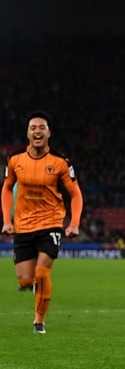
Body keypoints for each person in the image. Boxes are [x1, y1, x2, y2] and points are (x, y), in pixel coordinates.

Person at [1, 111, 84, 334]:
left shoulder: (60, 162)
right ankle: (32, 285)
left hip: (51, 223)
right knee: (25, 279)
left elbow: (75, 194)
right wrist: (6, 220)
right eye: (33, 128)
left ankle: (39, 322)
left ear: (49, 133)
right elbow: (7, 188)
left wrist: (74, 223)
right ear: (27, 133)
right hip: (23, 225)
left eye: (41, 127)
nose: (37, 131)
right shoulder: (15, 160)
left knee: (42, 272)